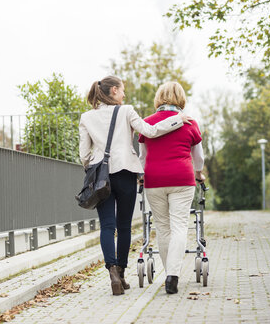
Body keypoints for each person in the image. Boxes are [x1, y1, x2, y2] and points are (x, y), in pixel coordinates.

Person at [78, 76, 193, 296]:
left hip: (100, 177)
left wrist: (92, 166)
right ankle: (121, 273)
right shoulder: (126, 111)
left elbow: (84, 154)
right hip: (125, 173)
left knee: (107, 227)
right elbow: (149, 131)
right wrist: (178, 119)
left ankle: (111, 270)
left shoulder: (86, 117)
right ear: (113, 91)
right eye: (122, 91)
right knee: (123, 226)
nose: (124, 95)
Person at [138, 81, 206, 294]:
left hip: (154, 180)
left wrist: (142, 177)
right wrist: (199, 173)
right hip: (182, 180)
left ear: (158, 98)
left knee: (163, 227)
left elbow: (142, 157)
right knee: (179, 226)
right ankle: (172, 276)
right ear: (181, 99)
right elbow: (199, 157)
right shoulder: (189, 123)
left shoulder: (147, 123)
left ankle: (169, 273)